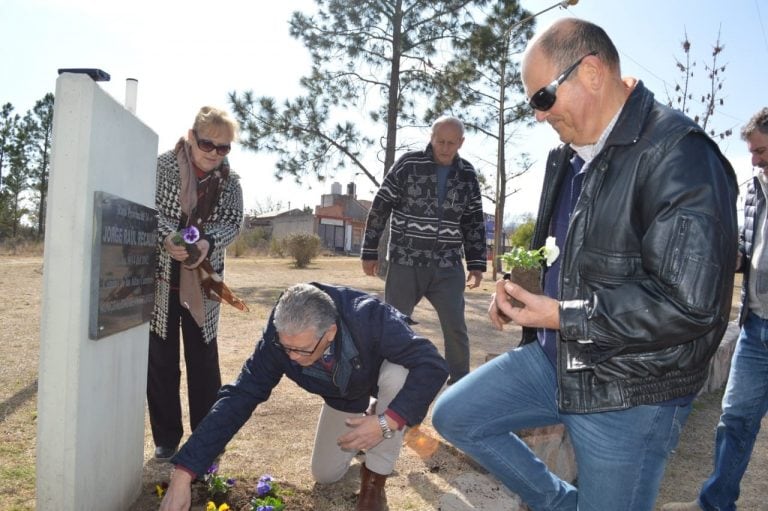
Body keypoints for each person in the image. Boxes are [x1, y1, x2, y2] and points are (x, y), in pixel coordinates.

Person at [433, 18, 738, 511]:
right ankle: (561, 503)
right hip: (555, 362)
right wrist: (517, 290)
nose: (537, 116)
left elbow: (691, 305)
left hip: (630, 391)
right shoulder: (568, 157)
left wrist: (562, 315)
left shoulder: (680, 155)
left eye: (542, 98)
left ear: (591, 72)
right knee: (456, 416)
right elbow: (561, 255)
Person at [158, 282, 449, 511]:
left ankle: (375, 480)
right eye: (288, 349)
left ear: (330, 332)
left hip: (382, 377)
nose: (293, 358)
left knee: (399, 375)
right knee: (325, 474)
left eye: (303, 350)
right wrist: (184, 473)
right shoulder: (276, 341)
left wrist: (389, 421)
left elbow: (433, 365)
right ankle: (372, 414)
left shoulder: (369, 317)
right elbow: (238, 397)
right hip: (345, 397)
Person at [662, 110, 768, 511]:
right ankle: (716, 504)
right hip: (756, 328)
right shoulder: (755, 187)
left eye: (760, 150)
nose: (754, 160)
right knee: (735, 418)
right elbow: (748, 247)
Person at [148, 106, 243, 460]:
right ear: (191, 137)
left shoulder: (230, 182)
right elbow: (152, 211)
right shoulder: (164, 167)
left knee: (204, 358)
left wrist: (208, 242)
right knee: (161, 358)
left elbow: (233, 221)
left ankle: (206, 436)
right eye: (208, 144)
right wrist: (166, 239)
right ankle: (166, 438)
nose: (215, 154)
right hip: (162, 276)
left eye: (224, 148)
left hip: (203, 280)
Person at [361, 116, 486, 384]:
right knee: (393, 325)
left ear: (461, 143)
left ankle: (461, 383)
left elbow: (474, 220)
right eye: (440, 141)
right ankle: (382, 383)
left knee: (455, 328)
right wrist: (369, 251)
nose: (444, 147)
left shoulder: (467, 175)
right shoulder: (409, 164)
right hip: (406, 262)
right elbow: (380, 206)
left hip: (448, 265)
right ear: (431, 137)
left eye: (451, 143)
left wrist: (476, 264)